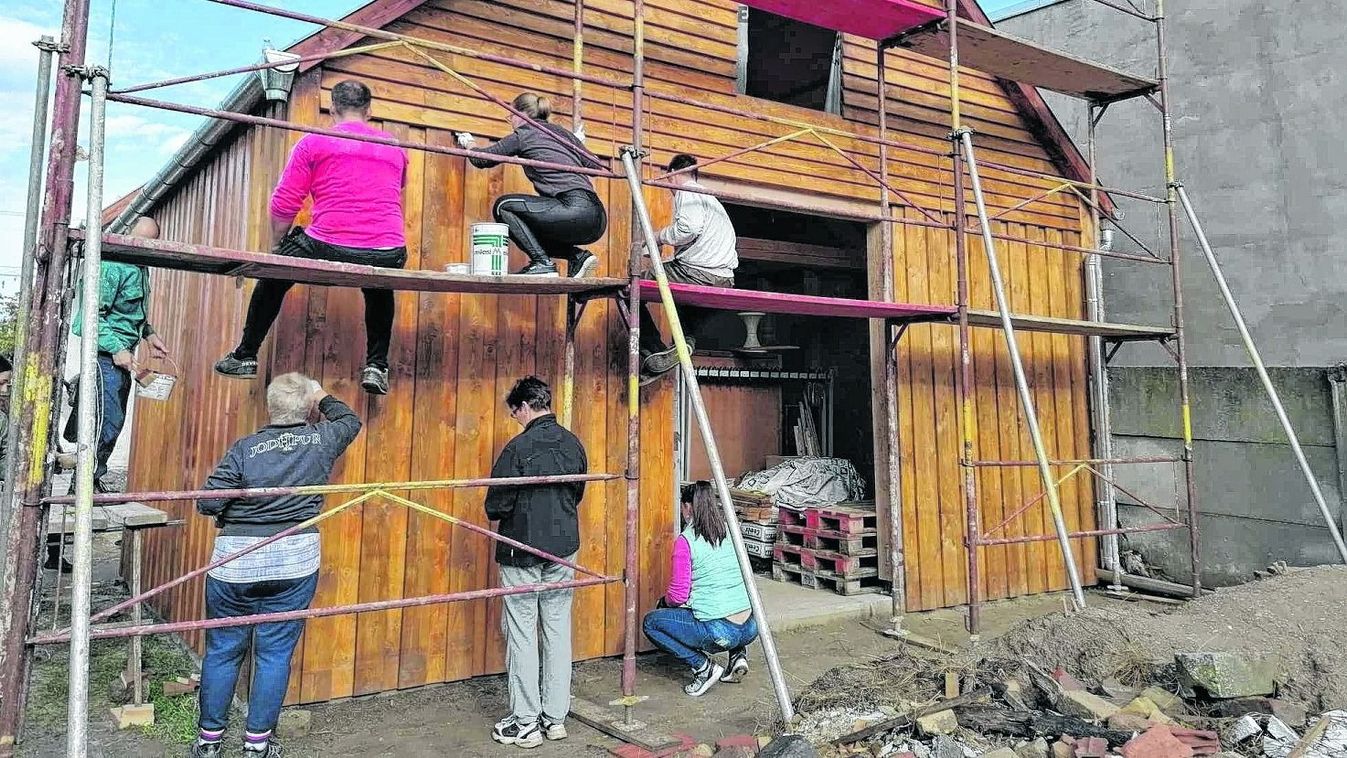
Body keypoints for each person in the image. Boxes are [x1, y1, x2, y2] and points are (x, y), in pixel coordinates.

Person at [191, 372, 361, 758]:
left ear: (270, 407)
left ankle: (209, 744)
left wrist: (243, 508)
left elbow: (208, 502)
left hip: (236, 564)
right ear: (310, 408)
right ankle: (257, 747)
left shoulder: (245, 449)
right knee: (274, 654)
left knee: (222, 650)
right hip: (293, 563)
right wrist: (322, 395)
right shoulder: (322, 438)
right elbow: (350, 420)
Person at [214, 79, 409, 396]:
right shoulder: (396, 148)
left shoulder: (315, 142)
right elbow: (395, 188)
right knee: (379, 283)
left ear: (333, 108)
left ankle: (245, 355)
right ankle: (377, 365)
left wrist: (277, 248)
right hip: (388, 249)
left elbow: (284, 202)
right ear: (369, 110)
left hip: (327, 243)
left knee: (274, 276)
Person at [484, 376, 588, 749]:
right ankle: (555, 718)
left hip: (522, 550)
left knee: (522, 634)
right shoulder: (573, 444)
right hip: (564, 549)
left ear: (525, 406)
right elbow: (577, 492)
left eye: (514, 412)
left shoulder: (517, 448)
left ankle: (525, 722)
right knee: (558, 630)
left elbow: (496, 506)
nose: (514, 419)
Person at [459, 93, 607, 278]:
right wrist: (575, 146)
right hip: (597, 219)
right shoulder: (561, 133)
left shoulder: (524, 134)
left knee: (503, 207)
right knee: (527, 230)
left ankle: (542, 263)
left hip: (573, 210)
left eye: (511, 116)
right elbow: (596, 165)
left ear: (521, 114)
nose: (511, 121)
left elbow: (482, 160)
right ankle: (576, 256)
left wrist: (469, 144)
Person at [641, 481, 758, 698]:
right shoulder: (730, 530)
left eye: (683, 506)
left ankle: (704, 668)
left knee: (651, 622)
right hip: (751, 625)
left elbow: (678, 596)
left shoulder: (686, 541)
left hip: (720, 632)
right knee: (726, 597)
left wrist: (663, 603)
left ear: (688, 508)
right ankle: (737, 657)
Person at [636, 154, 738, 383]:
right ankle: (685, 342)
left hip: (699, 273)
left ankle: (653, 352)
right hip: (723, 277)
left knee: (631, 286)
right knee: (679, 295)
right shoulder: (709, 198)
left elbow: (687, 229)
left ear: (672, 175)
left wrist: (657, 237)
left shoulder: (687, 191)